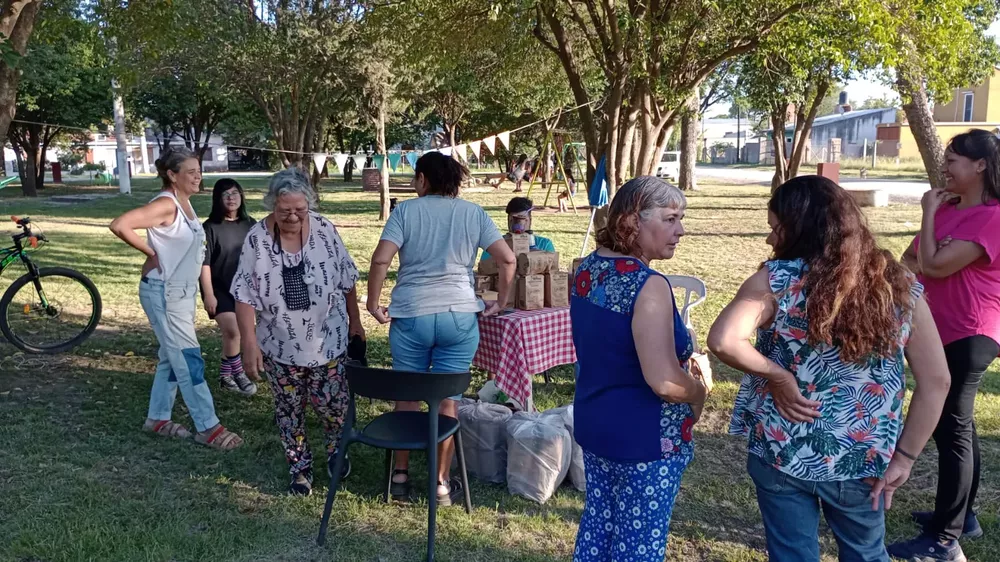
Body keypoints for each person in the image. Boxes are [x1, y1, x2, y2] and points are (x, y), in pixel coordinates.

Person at [708, 175, 951, 562]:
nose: (770, 239)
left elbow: (724, 340)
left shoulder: (776, 280)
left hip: (782, 450)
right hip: (862, 458)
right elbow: (937, 381)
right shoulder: (899, 286)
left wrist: (778, 376)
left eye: (776, 228)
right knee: (865, 554)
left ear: (800, 228)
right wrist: (905, 457)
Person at [571, 176, 708, 562]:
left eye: (680, 219)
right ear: (632, 221)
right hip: (644, 440)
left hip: (596, 424)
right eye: (670, 219)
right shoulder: (647, 285)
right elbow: (663, 380)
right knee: (638, 546)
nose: (680, 230)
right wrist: (699, 392)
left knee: (599, 530)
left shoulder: (587, 268)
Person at [367, 151, 516, 505]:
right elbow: (507, 258)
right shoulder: (473, 213)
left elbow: (381, 259)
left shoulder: (405, 211)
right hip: (459, 316)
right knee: (448, 400)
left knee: (407, 396)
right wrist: (502, 300)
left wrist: (373, 303)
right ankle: (441, 483)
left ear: (422, 179)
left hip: (411, 315)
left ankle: (400, 477)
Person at [890, 129, 1000, 560]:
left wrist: (928, 214)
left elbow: (932, 265)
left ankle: (944, 540)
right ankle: (963, 517)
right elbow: (910, 260)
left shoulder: (991, 217)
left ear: (981, 165)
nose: (945, 168)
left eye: (953, 160)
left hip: (970, 331)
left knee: (951, 428)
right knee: (958, 427)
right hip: (937, 330)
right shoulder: (950, 210)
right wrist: (935, 229)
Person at [231, 167, 364, 496]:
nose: (293, 217)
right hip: (280, 344)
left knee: (334, 405)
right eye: (284, 210)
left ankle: (336, 451)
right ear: (271, 205)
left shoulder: (324, 229)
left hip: (328, 340)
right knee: (289, 411)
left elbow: (347, 278)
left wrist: (356, 322)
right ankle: (299, 468)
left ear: (310, 204)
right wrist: (249, 342)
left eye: (300, 210)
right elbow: (244, 294)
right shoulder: (257, 239)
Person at [109, 147, 242, 450]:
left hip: (180, 293)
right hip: (164, 292)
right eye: (191, 172)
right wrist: (151, 253)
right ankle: (208, 427)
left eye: (199, 171)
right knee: (188, 358)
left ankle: (157, 419)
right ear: (172, 175)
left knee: (171, 357)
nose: (198, 177)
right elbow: (120, 224)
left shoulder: (185, 203)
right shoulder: (166, 204)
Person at [200, 178, 257, 396]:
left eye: (234, 193)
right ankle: (239, 373)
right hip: (218, 289)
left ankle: (225, 377)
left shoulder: (250, 224)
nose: (231, 198)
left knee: (234, 334)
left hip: (244, 290)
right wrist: (208, 294)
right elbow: (204, 264)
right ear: (218, 199)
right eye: (225, 194)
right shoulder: (209, 227)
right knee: (234, 331)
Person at [480, 197, 556, 261]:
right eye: (513, 220)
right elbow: (484, 268)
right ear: (508, 220)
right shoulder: (494, 245)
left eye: (522, 219)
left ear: (530, 220)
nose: (518, 225)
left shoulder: (544, 245)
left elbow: (552, 269)